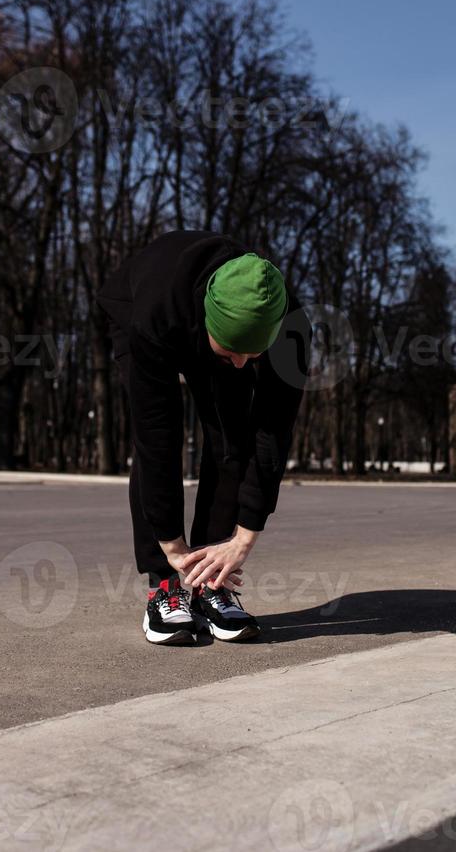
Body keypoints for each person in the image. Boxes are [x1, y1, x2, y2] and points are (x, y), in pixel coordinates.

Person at [95, 229, 309, 645]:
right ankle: (164, 588)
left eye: (254, 354)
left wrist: (244, 537)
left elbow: (273, 432)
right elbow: (155, 437)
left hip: (205, 323)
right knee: (160, 438)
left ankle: (212, 584)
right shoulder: (155, 314)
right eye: (232, 350)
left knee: (233, 438)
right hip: (140, 308)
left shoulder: (291, 327)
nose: (242, 363)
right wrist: (172, 549)